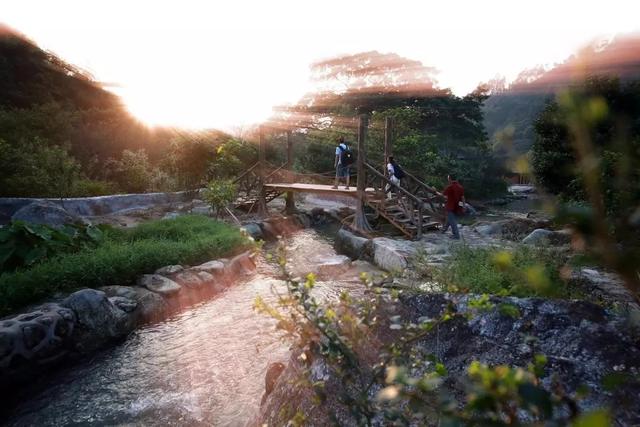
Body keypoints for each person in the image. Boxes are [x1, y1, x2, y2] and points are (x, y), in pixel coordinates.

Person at [438, 174, 465, 240]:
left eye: (448, 178)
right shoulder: (460, 187)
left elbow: (442, 195)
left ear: (450, 179)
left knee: (452, 221)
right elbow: (463, 198)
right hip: (458, 206)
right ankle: (444, 230)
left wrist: (435, 191)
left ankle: (456, 235)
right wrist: (463, 206)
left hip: (450, 206)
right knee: (450, 219)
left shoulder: (450, 187)